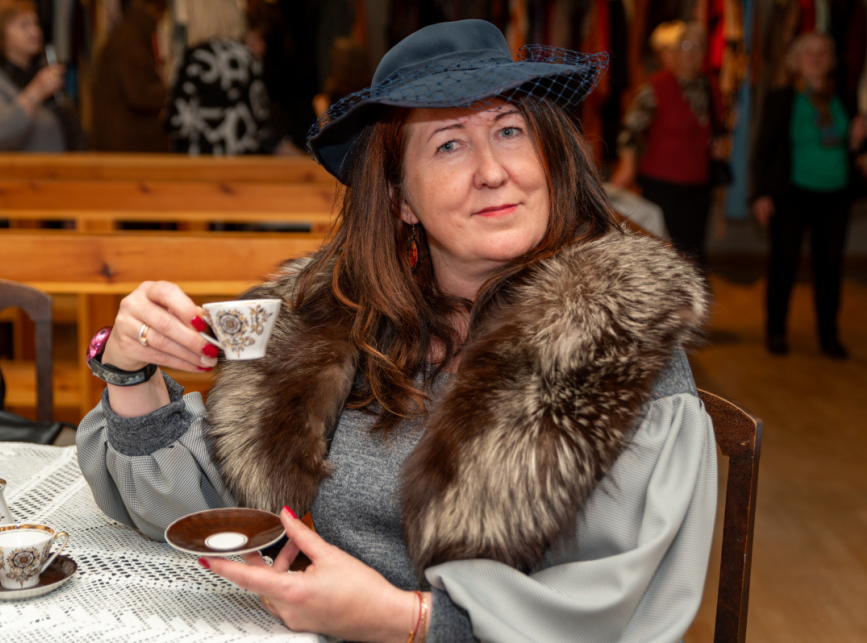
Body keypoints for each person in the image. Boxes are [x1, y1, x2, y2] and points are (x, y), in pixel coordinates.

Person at [77, 20, 716, 641]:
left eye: (509, 130)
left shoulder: (616, 348)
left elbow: (625, 608)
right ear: (399, 199)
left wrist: (405, 619)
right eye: (449, 144)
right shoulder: (335, 320)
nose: (493, 170)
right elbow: (206, 509)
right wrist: (130, 368)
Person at [752, 31, 866, 360]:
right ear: (796, 61)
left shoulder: (844, 98)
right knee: (784, 263)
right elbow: (764, 149)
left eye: (822, 53)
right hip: (792, 193)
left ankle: (829, 336)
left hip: (836, 194)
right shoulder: (783, 98)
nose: (816, 58)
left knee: (829, 267)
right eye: (809, 53)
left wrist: (858, 140)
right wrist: (761, 193)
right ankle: (776, 331)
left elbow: (855, 148)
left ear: (831, 61)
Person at [611, 21, 725, 272]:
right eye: (685, 45)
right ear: (674, 51)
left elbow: (716, 127)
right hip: (662, 186)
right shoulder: (656, 87)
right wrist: (627, 166)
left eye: (697, 46)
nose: (691, 52)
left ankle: (690, 297)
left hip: (699, 186)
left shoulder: (710, 86)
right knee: (661, 254)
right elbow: (629, 130)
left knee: (693, 254)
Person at [164, 0, 289, 156]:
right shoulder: (248, 58)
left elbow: (176, 122)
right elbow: (261, 121)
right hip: (244, 163)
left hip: (202, 162)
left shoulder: (195, 59)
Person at [0, 0, 77, 152]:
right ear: (0, 33)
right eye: (24, 25)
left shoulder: (36, 72)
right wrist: (37, 91)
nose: (35, 32)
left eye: (36, 23)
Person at [90, 0, 168, 152]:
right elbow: (139, 94)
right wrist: (171, 91)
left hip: (122, 142)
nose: (160, 17)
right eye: (159, 11)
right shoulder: (129, 42)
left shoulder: (128, 37)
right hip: (129, 145)